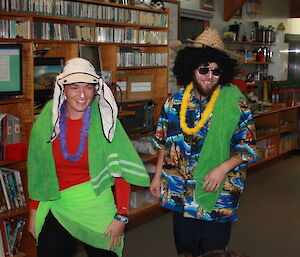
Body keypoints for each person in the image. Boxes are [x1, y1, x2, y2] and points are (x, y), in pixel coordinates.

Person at [150, 27, 258, 257]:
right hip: (180, 193)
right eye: (204, 69)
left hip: (218, 193)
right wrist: (158, 177)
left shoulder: (234, 103)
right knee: (185, 251)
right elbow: (164, 144)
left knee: (214, 252)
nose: (209, 76)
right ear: (190, 67)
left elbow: (248, 146)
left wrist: (222, 168)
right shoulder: (173, 104)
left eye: (216, 71)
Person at [27, 58, 150, 257]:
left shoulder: (106, 120)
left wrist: (122, 216)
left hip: (96, 204)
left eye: (88, 88)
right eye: (74, 87)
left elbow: (121, 173)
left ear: (96, 89)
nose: (82, 95)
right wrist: (33, 213)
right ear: (63, 89)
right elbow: (37, 170)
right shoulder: (47, 120)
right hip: (56, 203)